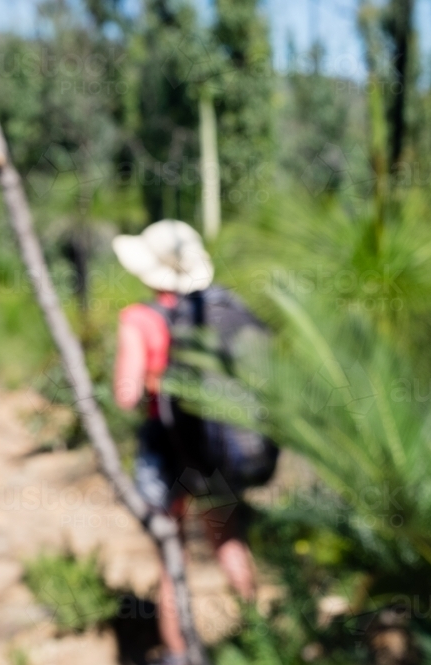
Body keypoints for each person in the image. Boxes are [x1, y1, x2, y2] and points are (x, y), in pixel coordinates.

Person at [112, 220, 270, 665]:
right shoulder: (216, 311)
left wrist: (150, 379)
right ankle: (258, 639)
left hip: (165, 449)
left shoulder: (140, 319)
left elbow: (126, 396)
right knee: (227, 539)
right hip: (213, 445)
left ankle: (179, 654)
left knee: (170, 553)